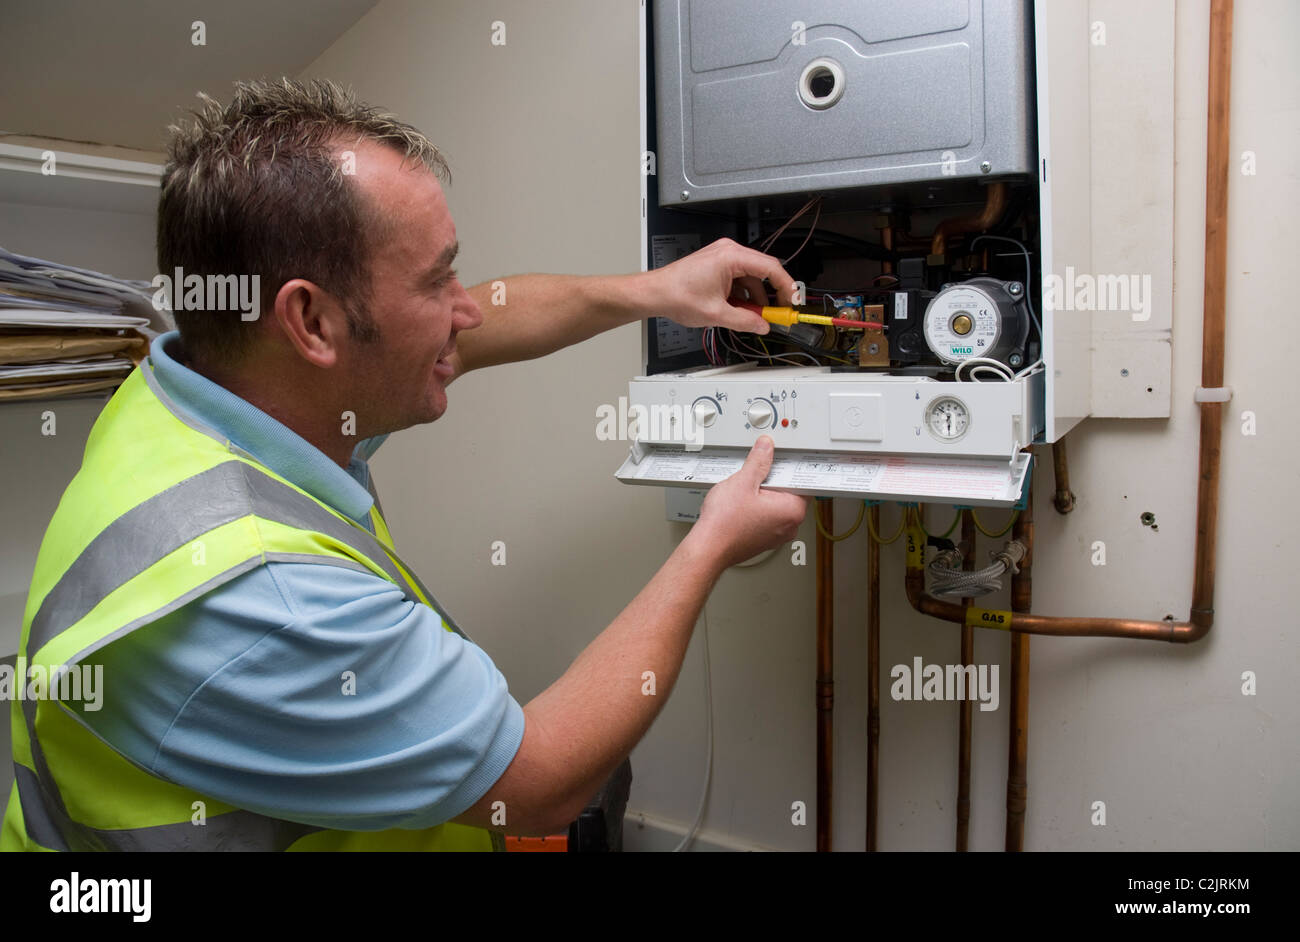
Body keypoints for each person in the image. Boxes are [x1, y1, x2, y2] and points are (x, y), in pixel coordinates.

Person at [1, 78, 808, 852]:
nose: (465, 307)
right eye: (435, 280)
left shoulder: (201, 387)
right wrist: (710, 544)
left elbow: (476, 324)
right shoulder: (261, 595)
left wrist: (655, 290)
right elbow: (538, 781)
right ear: (311, 321)